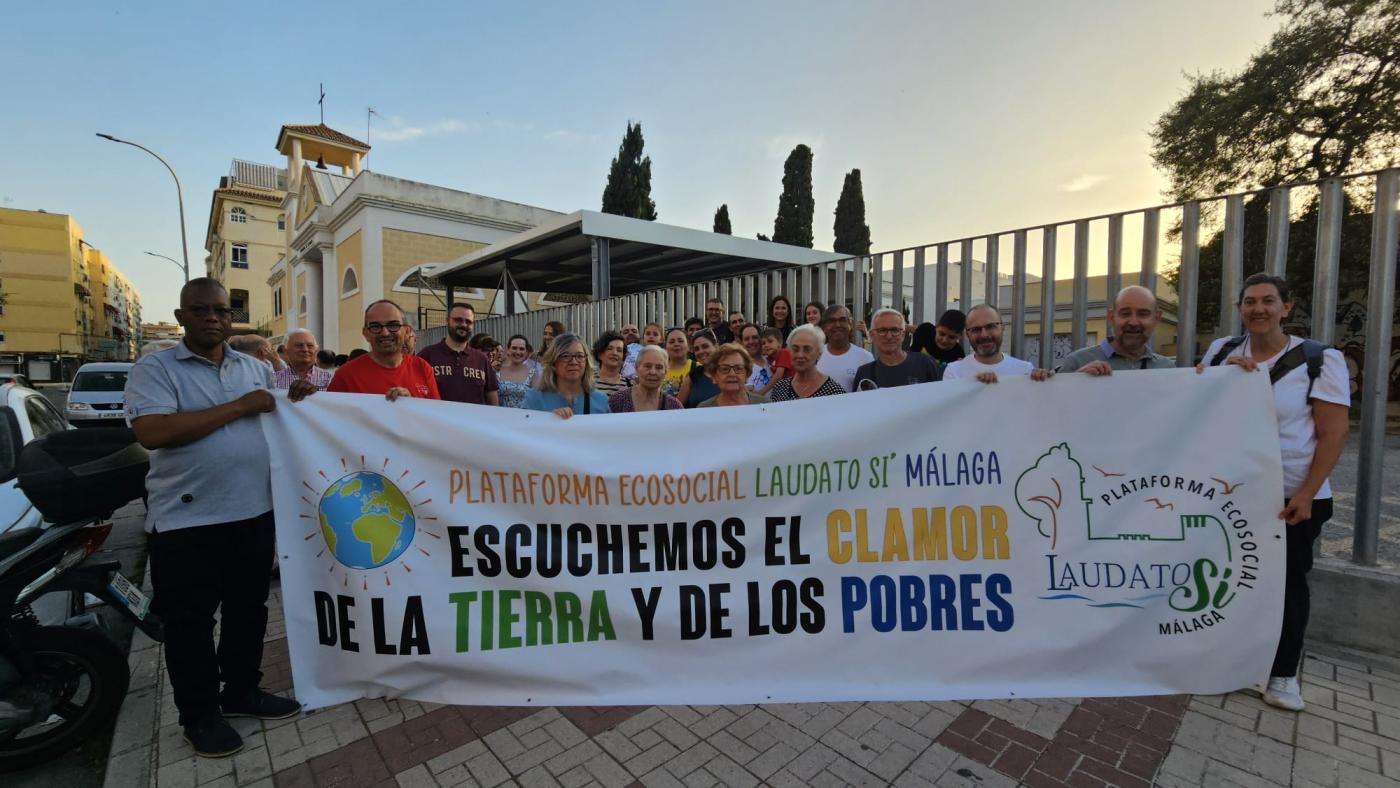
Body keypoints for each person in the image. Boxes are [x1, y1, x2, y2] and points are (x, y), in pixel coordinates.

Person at [124, 278, 300, 758]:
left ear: (231, 317)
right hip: (186, 522)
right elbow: (154, 432)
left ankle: (241, 690)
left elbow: (283, 418)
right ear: (181, 316)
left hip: (252, 513)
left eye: (221, 311)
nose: (212, 319)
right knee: (191, 624)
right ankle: (199, 715)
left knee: (249, 612)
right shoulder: (155, 369)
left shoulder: (253, 368)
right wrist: (239, 407)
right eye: (200, 310)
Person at [1200, 272, 1349, 712]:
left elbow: (1333, 432)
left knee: (1286, 586)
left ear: (1287, 307)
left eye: (1268, 301)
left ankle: (1283, 674)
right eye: (1249, 302)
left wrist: (1305, 493)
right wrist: (1219, 379)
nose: (1258, 309)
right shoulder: (1222, 351)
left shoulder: (1320, 360)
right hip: (1235, 493)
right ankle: (1240, 665)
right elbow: (1197, 406)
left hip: (1293, 496)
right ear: (1240, 308)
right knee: (1237, 580)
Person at [326, 300, 441, 400]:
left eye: (393, 325)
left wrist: (411, 404)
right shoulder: (346, 375)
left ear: (406, 331)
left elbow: (434, 417)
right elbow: (329, 418)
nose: (385, 333)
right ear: (366, 334)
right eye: (376, 327)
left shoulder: (422, 368)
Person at [1057, 286, 1175, 374]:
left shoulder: (1167, 368)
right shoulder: (1077, 362)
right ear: (1111, 317)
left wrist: (1194, 381)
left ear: (1157, 318)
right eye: (1125, 313)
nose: (1133, 322)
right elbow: (1054, 404)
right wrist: (1076, 383)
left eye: (1143, 314)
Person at [943, 304, 1052, 383]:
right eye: (976, 329)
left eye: (990, 326)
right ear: (967, 334)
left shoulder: (1025, 370)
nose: (984, 335)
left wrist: (1045, 383)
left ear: (1002, 328)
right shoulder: (954, 371)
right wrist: (972, 385)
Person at [418, 303, 499, 405]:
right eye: (458, 320)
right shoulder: (427, 355)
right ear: (447, 320)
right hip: (436, 420)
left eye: (468, 322)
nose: (464, 325)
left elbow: (493, 402)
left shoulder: (482, 360)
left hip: (472, 420)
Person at [524, 333, 610, 418]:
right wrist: (549, 419)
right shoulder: (534, 399)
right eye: (565, 356)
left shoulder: (601, 401)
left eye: (579, 356)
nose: (574, 362)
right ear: (553, 362)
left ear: (587, 362)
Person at [854, 309, 942, 390]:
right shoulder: (864, 374)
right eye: (882, 330)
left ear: (903, 335)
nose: (889, 336)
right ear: (872, 335)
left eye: (895, 330)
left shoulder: (925, 364)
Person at [771, 324, 847, 401]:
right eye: (795, 349)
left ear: (819, 354)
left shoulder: (834, 392)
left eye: (807, 349)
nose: (800, 355)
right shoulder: (779, 388)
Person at [814, 304, 874, 392]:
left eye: (842, 320)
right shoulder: (813, 355)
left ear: (850, 324)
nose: (837, 325)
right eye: (831, 321)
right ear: (824, 327)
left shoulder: (865, 358)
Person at [608, 345, 684, 412]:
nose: (653, 372)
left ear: (666, 372)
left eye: (659, 367)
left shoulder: (674, 407)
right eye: (647, 366)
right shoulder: (617, 401)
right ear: (636, 368)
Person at [698, 343, 765, 407]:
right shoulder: (703, 410)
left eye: (738, 368)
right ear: (715, 377)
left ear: (747, 375)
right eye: (724, 369)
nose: (732, 374)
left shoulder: (766, 405)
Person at [496, 334, 539, 409]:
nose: (518, 352)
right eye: (514, 348)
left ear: (526, 352)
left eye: (522, 349)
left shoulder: (533, 374)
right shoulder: (497, 372)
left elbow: (538, 401)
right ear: (508, 350)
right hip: (501, 418)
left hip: (525, 418)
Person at [685, 329, 721, 407]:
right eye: (697, 349)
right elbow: (676, 406)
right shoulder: (692, 377)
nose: (701, 351)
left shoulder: (730, 372)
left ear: (716, 346)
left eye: (705, 346)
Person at [662, 327, 698, 400]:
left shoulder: (698, 368)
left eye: (681, 341)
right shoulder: (659, 370)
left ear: (689, 346)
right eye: (672, 342)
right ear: (665, 348)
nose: (676, 344)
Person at [740, 324, 771, 393]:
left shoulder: (772, 360)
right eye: (746, 339)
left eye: (754, 337)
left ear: (761, 339)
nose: (751, 342)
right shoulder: (740, 368)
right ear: (742, 343)